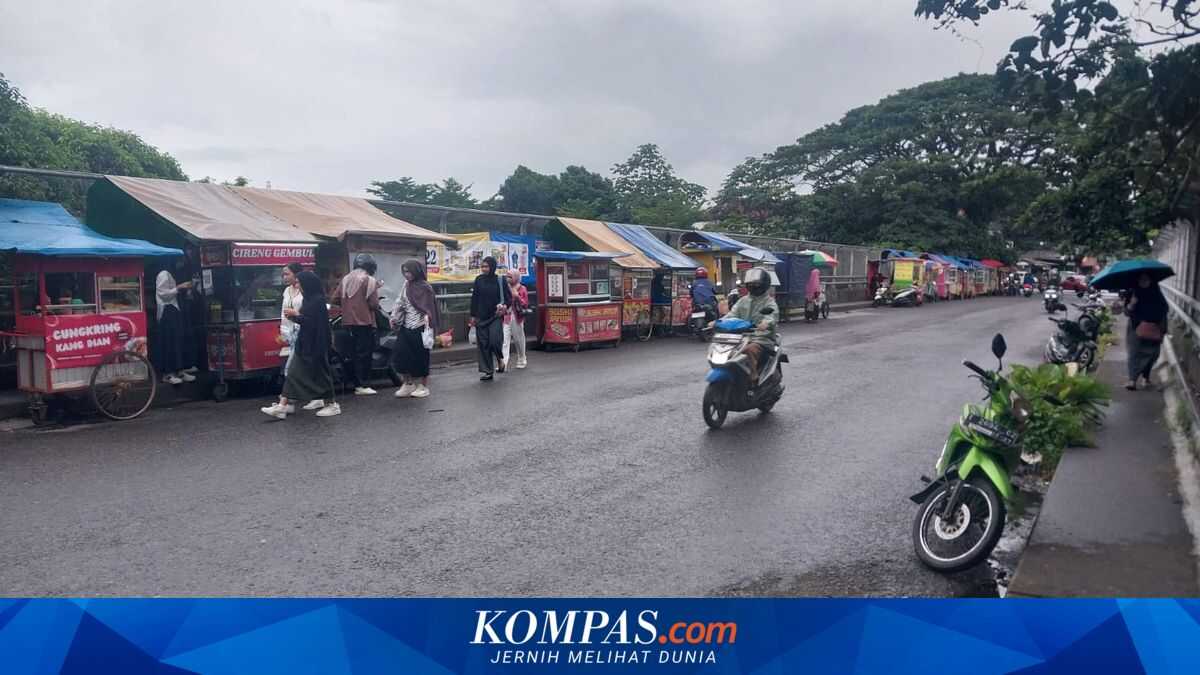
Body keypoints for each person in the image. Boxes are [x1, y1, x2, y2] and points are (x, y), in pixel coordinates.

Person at [263, 271, 339, 418]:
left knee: (321, 374)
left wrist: (297, 315)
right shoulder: (308, 299)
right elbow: (306, 321)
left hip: (317, 343)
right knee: (292, 373)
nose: (297, 285)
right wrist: (294, 317)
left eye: (299, 282)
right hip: (304, 342)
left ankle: (332, 404)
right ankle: (282, 406)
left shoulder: (317, 301)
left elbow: (314, 323)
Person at [718, 267, 779, 382]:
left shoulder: (769, 302)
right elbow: (732, 314)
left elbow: (772, 316)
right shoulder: (743, 300)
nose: (752, 285)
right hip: (741, 337)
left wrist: (765, 323)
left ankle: (754, 374)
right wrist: (718, 322)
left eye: (756, 283)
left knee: (749, 349)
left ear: (764, 284)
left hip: (761, 338)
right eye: (750, 283)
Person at [334, 253, 381, 396]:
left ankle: (354, 383)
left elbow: (335, 299)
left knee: (352, 354)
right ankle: (363, 385)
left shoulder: (345, 279)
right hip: (364, 322)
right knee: (364, 354)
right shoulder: (369, 280)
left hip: (347, 323)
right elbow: (374, 304)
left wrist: (348, 304)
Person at [391, 259, 439, 398]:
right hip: (406, 325)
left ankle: (423, 386)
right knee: (400, 355)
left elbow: (430, 308)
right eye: (404, 271)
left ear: (416, 271)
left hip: (420, 326)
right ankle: (408, 383)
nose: (407, 275)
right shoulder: (406, 285)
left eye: (409, 271)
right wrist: (394, 317)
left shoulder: (425, 287)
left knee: (421, 357)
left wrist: (428, 320)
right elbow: (399, 301)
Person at [1124, 273, 1169, 391]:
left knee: (1152, 355)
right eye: (1141, 279)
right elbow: (1127, 312)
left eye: (1146, 279)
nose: (1143, 282)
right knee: (1134, 354)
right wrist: (1132, 304)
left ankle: (1146, 378)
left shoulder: (1157, 294)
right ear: (1137, 280)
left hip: (1154, 328)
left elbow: (1164, 310)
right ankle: (1132, 380)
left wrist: (1163, 331)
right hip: (1135, 327)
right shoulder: (1132, 293)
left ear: (1151, 281)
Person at [469, 256, 511, 381]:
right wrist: (472, 315)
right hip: (481, 317)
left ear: (492, 266)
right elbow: (474, 298)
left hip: (495, 315)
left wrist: (503, 306)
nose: (484, 269)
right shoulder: (479, 280)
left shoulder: (500, 280)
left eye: (486, 266)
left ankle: (499, 359)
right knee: (483, 344)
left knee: (494, 341)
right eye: (482, 266)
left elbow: (508, 298)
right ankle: (488, 371)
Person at [155, 263, 195, 385]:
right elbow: (163, 294)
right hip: (167, 312)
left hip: (173, 310)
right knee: (169, 342)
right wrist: (179, 287)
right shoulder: (163, 274)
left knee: (177, 341)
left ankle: (179, 371)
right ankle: (167, 374)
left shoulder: (170, 274)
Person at [502, 268, 529, 370]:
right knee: (504, 340)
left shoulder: (522, 288)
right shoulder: (505, 288)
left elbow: (525, 303)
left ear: (516, 277)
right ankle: (503, 362)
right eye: (507, 276)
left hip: (517, 317)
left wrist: (517, 296)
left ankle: (522, 358)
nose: (508, 278)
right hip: (506, 316)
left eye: (510, 276)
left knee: (518, 340)